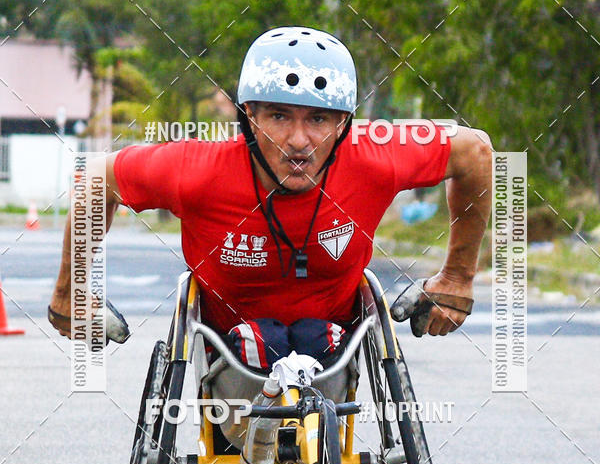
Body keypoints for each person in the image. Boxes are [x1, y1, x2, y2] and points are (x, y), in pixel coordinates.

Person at [49, 25, 491, 349]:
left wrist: (457, 277)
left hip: (336, 347)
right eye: (279, 116)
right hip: (229, 352)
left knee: (314, 340)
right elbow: (96, 179)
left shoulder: (372, 153)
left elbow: (475, 152)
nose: (299, 141)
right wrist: (68, 295)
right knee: (262, 341)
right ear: (249, 117)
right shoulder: (199, 169)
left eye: (318, 118)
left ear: (343, 124)